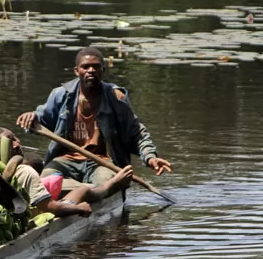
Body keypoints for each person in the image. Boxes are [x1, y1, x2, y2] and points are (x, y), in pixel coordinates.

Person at [16, 46, 172, 190]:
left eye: (96, 67)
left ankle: (84, 197)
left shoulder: (115, 98)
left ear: (103, 70)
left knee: (105, 185)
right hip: (66, 160)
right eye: (85, 67)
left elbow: (136, 133)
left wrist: (151, 158)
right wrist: (32, 116)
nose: (91, 70)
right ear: (77, 71)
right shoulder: (61, 95)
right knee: (45, 182)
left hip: (103, 163)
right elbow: (42, 120)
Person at [0, 127, 133, 218]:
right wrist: (79, 208)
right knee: (83, 190)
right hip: (39, 214)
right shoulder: (24, 172)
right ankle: (112, 185)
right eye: (9, 142)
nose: (16, 144)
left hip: (31, 205)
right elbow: (51, 208)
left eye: (15, 138)